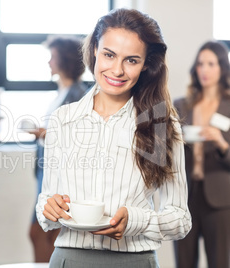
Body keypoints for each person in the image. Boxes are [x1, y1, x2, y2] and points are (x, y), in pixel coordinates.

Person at [35, 8, 192, 267]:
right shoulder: (63, 120)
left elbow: (181, 219)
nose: (117, 70)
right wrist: (48, 208)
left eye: (131, 60)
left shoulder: (161, 124)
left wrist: (136, 221)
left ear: (145, 65)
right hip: (69, 259)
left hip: (135, 261)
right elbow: (47, 202)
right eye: (109, 55)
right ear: (95, 49)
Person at [28, 35, 87, 262]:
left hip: (60, 175)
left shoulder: (77, 94)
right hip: (46, 171)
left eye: (53, 57)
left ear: (65, 61)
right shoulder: (62, 93)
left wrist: (45, 133)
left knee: (43, 233)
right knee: (40, 233)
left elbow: (77, 137)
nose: (49, 62)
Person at [174, 41, 230, 268]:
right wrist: (176, 140)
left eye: (211, 64)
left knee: (219, 262)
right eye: (200, 64)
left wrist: (220, 142)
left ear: (222, 68)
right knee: (184, 263)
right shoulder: (182, 105)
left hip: (220, 200)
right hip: (186, 196)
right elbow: (167, 152)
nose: (204, 70)